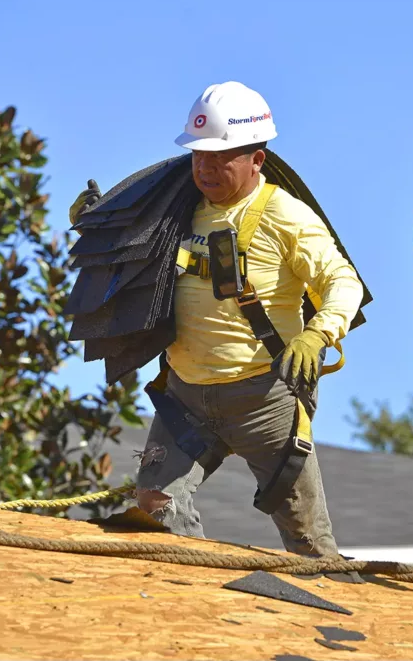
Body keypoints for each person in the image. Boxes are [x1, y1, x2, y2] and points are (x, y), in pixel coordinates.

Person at [71, 81, 364, 560]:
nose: (205, 167)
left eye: (220, 156)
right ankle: (198, 600)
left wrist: (317, 334)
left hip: (264, 400)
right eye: (199, 154)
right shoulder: (174, 210)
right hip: (185, 395)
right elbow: (130, 259)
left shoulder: (286, 216)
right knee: (155, 506)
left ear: (257, 159)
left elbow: (342, 281)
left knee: (309, 544)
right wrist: (104, 226)